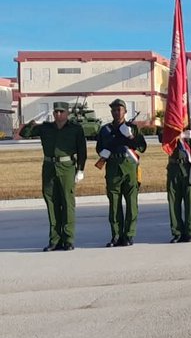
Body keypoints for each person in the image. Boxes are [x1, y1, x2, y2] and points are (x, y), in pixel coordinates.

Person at [20, 101, 88, 251]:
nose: (58, 114)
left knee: (67, 203)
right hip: (49, 167)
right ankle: (55, 239)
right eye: (56, 112)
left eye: (61, 112)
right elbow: (24, 134)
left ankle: (68, 239)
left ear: (67, 113)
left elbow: (82, 150)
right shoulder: (46, 128)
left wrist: (80, 170)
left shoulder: (75, 129)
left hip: (67, 168)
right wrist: (31, 123)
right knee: (51, 203)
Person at [96, 99, 147, 247]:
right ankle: (116, 235)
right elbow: (99, 147)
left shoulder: (132, 128)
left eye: (119, 110)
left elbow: (142, 147)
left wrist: (130, 136)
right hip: (112, 168)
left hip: (129, 167)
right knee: (114, 203)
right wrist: (103, 152)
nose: (117, 112)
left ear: (125, 111)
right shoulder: (105, 130)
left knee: (131, 203)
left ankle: (129, 235)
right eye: (114, 110)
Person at [166, 117, 191, 243]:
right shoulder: (170, 129)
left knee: (190, 201)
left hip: (189, 168)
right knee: (173, 202)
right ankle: (177, 232)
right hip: (174, 167)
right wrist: (179, 134)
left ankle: (189, 232)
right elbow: (163, 138)